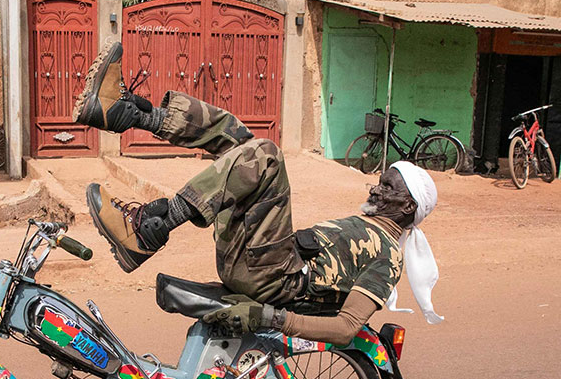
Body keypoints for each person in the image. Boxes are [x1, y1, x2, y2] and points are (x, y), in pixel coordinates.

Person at [72, 41, 443, 346]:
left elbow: (347, 327)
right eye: (381, 181)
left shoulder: (389, 256)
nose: (376, 187)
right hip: (262, 261)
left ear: (407, 205)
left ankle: (151, 230)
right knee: (240, 140)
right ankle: (130, 114)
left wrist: (271, 318)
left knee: (265, 156)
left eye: (388, 186)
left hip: (277, 280)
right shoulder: (369, 227)